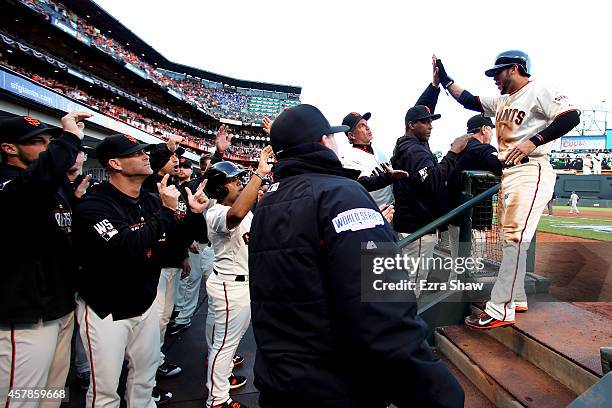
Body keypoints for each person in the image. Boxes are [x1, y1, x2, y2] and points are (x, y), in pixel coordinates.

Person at [248, 104, 463, 408]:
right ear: (324, 142)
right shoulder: (342, 194)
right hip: (335, 387)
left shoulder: (268, 202)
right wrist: (437, 394)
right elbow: (383, 310)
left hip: (279, 383)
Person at [435, 50, 580, 328]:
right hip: (510, 173)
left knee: (514, 239)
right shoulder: (502, 101)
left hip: (531, 168)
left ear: (515, 69)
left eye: (497, 73)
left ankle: (501, 308)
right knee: (512, 239)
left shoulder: (540, 89)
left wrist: (535, 140)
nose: (494, 79)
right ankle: (517, 296)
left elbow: (571, 117)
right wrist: (445, 79)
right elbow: (468, 100)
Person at [72, 133, 209, 407]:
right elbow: (125, 244)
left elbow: (178, 240)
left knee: (145, 379)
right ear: (115, 164)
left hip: (144, 303)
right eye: (136, 153)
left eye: (144, 151)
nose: (145, 155)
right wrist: (168, 213)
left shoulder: (148, 201)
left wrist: (193, 213)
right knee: (105, 391)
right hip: (106, 308)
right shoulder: (94, 204)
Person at [0, 112, 91, 408]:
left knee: (52, 395)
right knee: (21, 399)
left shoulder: (54, 187)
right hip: (25, 316)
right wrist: (68, 140)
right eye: (37, 142)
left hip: (59, 306)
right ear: (9, 147)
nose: (46, 147)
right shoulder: (7, 183)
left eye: (48, 140)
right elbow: (34, 185)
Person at [203, 147, 273, 408]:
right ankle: (217, 399)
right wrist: (258, 174)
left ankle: (219, 382)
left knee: (219, 344)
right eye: (233, 181)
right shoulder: (217, 212)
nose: (239, 183)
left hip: (236, 284)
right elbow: (236, 216)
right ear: (219, 189)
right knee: (224, 347)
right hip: (230, 287)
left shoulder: (241, 209)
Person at [391, 90, 472, 294]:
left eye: (430, 121)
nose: (430, 126)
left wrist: (434, 88)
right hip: (417, 225)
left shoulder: (410, 144)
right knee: (413, 281)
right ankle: (404, 323)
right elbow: (433, 182)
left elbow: (420, 111)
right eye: (425, 122)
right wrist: (453, 152)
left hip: (410, 223)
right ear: (411, 125)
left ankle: (401, 320)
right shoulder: (414, 150)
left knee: (408, 278)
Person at [145, 137, 206, 382]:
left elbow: (179, 228)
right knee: (155, 319)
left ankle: (154, 362)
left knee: (163, 318)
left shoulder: (179, 190)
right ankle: (150, 366)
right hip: (155, 265)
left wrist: (182, 256)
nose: (176, 160)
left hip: (171, 261)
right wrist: (165, 149)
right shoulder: (151, 187)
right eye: (172, 157)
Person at [447, 115, 502, 276]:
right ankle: (464, 299)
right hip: (473, 220)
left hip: (454, 217)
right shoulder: (481, 149)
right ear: (484, 129)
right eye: (490, 129)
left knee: (457, 265)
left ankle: (453, 297)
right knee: (471, 268)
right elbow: (501, 164)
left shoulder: (457, 148)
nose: (492, 134)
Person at [170, 157, 213, 336]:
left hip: (210, 244)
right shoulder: (181, 189)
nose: (181, 169)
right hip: (195, 242)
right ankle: (182, 317)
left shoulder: (204, 186)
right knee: (190, 281)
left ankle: (211, 323)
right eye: (179, 166)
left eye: (185, 166)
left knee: (212, 287)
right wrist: (188, 240)